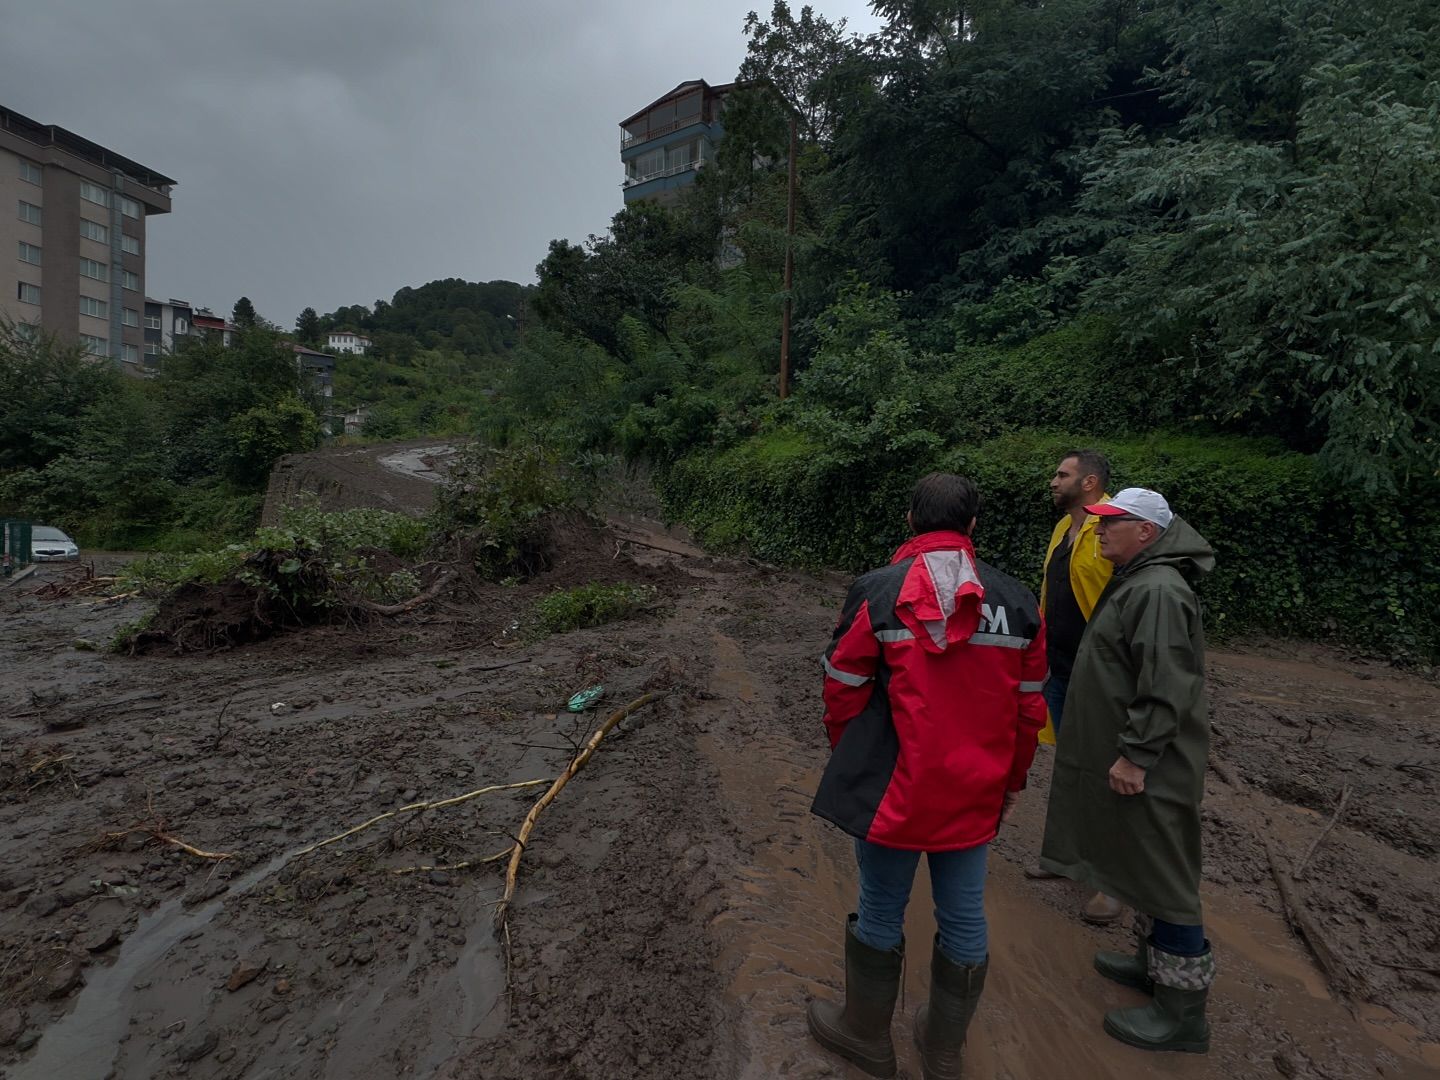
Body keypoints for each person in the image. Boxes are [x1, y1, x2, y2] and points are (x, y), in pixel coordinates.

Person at [806, 472, 1048, 1079]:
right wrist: (1012, 782)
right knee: (964, 914)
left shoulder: (878, 591)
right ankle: (943, 1052)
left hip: (894, 789)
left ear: (910, 521)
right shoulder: (1019, 602)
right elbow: (1029, 707)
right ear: (972, 526)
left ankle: (865, 1035)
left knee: (881, 905)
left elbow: (842, 688)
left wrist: (852, 757)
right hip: (975, 789)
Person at [1037, 487, 1216, 1054]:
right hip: (1143, 756)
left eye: (1113, 522)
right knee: (1142, 861)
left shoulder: (1159, 589)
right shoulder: (1141, 578)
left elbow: (1165, 682)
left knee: (1166, 874)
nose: (1100, 530)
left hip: (1156, 762)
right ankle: (1151, 965)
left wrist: (1138, 754)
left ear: (1146, 532)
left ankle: (1183, 1013)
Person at [1025, 450, 1124, 927]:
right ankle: (1065, 859)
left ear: (1089, 482)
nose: (1053, 481)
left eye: (1062, 474)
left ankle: (1112, 880)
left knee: (1106, 773)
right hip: (1061, 670)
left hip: (1099, 675)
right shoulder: (1064, 528)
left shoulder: (1113, 529)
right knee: (1068, 768)